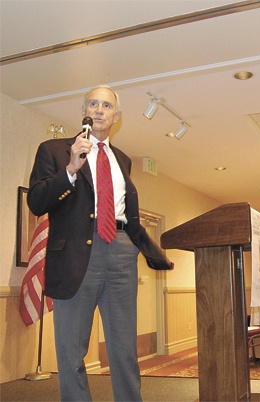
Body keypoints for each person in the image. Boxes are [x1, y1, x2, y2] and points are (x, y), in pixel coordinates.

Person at [27, 85, 173, 401]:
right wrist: (70, 169)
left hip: (121, 253)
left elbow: (127, 212)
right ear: (84, 110)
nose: (99, 110)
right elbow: (36, 202)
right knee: (71, 351)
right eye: (93, 103)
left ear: (116, 116)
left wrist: (143, 247)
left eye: (106, 106)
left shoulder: (122, 159)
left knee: (124, 349)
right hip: (75, 256)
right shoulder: (54, 150)